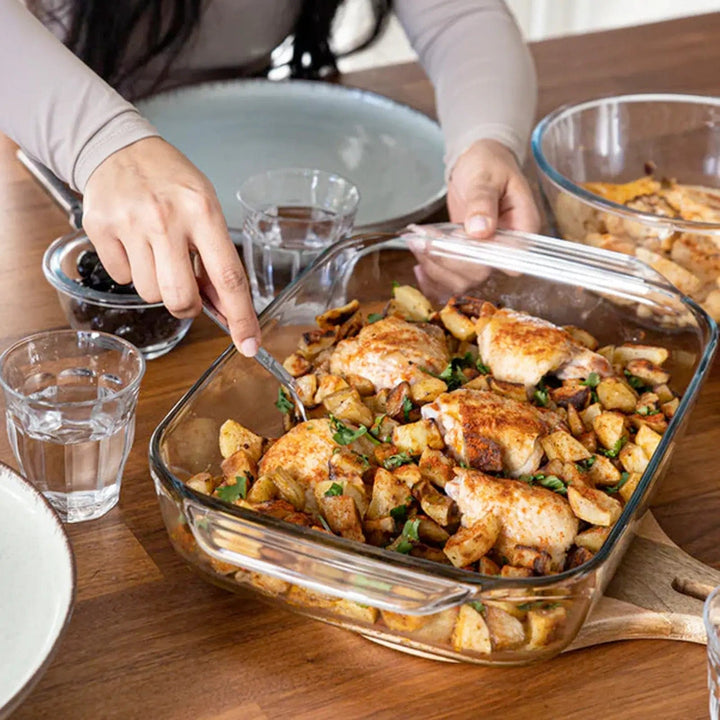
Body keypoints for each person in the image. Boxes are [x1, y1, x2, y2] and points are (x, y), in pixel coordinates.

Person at [0, 0, 539, 356]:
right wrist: (102, 144)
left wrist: (486, 142)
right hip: (55, 162)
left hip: (254, 152)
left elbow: (458, 15)